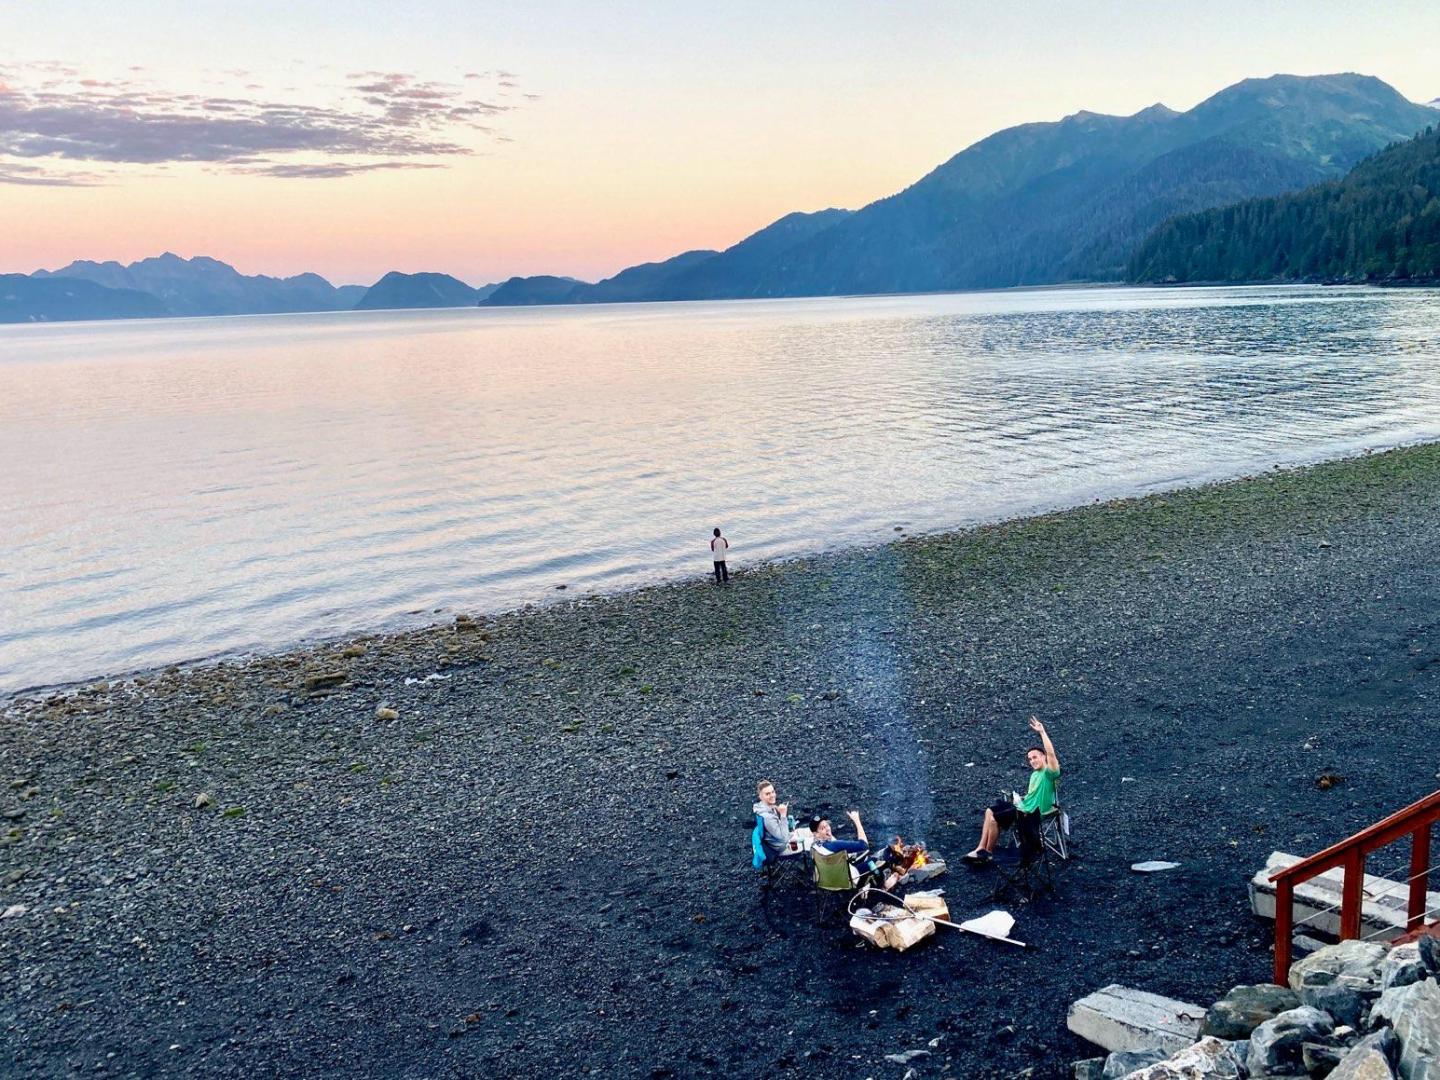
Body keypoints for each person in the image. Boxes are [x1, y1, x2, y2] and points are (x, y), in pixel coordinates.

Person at [963, 716, 1060, 867]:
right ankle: (980, 847)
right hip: (1023, 807)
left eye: (1035, 757)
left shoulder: (1049, 773)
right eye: (1029, 759)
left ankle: (988, 853)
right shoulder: (1034, 774)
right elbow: (1032, 794)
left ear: (1043, 757)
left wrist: (1042, 732)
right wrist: (1020, 800)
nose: (1032, 761)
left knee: (995, 820)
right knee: (989, 811)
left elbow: (1052, 754)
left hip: (1032, 814)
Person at [752, 779, 792, 862]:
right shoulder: (767, 817)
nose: (772, 795)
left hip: (773, 842)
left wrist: (775, 809)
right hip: (780, 847)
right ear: (760, 797)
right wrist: (783, 815)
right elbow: (784, 839)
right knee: (810, 839)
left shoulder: (761, 807)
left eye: (773, 792)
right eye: (767, 794)